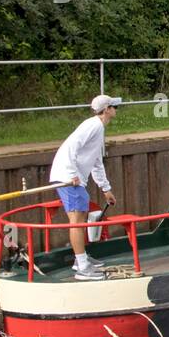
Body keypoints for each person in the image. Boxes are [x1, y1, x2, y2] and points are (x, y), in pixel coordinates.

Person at [49, 95, 120, 281]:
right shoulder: (93, 125)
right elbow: (72, 146)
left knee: (81, 216)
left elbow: (96, 162)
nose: (116, 110)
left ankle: (80, 259)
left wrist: (106, 188)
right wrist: (72, 173)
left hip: (73, 177)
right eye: (114, 107)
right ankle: (82, 267)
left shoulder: (98, 128)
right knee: (77, 220)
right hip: (68, 178)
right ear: (106, 110)